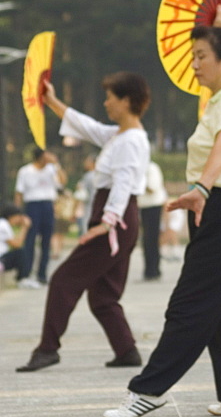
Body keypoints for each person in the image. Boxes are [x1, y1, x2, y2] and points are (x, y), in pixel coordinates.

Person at [102, 16, 221, 417]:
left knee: (190, 303)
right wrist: (217, 25)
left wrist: (203, 187)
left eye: (201, 57)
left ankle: (149, 388)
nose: (194, 64)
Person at [16, 73, 151, 372]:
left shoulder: (130, 140)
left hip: (114, 219)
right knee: (103, 296)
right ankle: (127, 350)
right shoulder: (120, 135)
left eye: (110, 98)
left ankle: (48, 348)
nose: (106, 103)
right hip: (118, 217)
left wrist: (106, 223)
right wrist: (51, 100)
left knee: (64, 280)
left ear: (126, 101)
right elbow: (86, 126)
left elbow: (123, 183)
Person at [14, 148, 67, 288]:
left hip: (47, 205)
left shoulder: (51, 169)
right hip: (32, 205)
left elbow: (62, 181)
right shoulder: (25, 171)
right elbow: (19, 192)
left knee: (46, 240)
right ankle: (26, 274)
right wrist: (19, 213)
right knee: (30, 240)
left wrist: (57, 164)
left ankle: (42, 275)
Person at [138, 161, 167, 281]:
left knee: (152, 239)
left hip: (153, 206)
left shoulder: (151, 168)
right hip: (143, 207)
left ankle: (154, 270)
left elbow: (152, 188)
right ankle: (148, 269)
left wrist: (137, 181)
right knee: (146, 240)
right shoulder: (140, 167)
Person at [0, 206, 30, 282]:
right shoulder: (3, 225)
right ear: (11, 216)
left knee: (20, 252)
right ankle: (22, 279)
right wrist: (24, 227)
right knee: (21, 252)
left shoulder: (4, 224)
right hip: (1, 258)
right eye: (18, 217)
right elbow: (17, 244)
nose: (19, 220)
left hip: (3, 256)